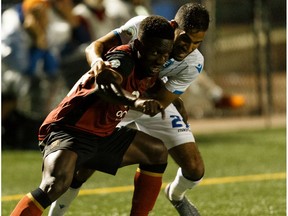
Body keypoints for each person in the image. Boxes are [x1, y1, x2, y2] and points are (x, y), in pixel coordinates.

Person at [49, 2, 209, 216]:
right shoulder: (142, 27)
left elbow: (159, 103)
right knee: (84, 166)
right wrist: (98, 63)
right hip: (112, 95)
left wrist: (168, 98)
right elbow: (94, 47)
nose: (188, 48)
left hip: (147, 102)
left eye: (196, 43)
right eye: (185, 39)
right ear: (173, 27)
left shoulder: (194, 63)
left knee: (195, 169)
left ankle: (176, 195)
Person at [10, 15, 175, 216]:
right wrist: (135, 102)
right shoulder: (123, 59)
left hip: (102, 134)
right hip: (69, 130)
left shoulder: (150, 67)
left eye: (165, 54)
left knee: (156, 152)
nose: (161, 59)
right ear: (139, 45)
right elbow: (105, 86)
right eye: (156, 52)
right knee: (55, 184)